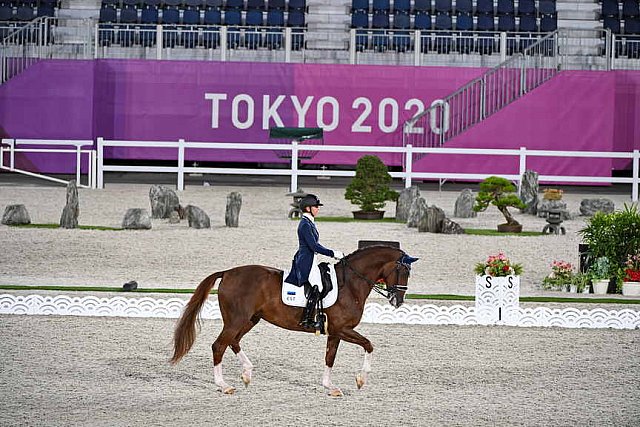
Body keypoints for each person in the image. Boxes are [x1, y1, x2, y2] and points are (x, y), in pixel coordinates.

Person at [285, 194, 344, 329]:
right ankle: (307, 319)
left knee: (321, 283)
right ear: (308, 208)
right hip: (306, 260)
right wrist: (333, 253)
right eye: (316, 207)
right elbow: (314, 246)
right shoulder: (305, 224)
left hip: (310, 258)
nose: (318, 209)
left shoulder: (309, 222)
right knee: (318, 285)